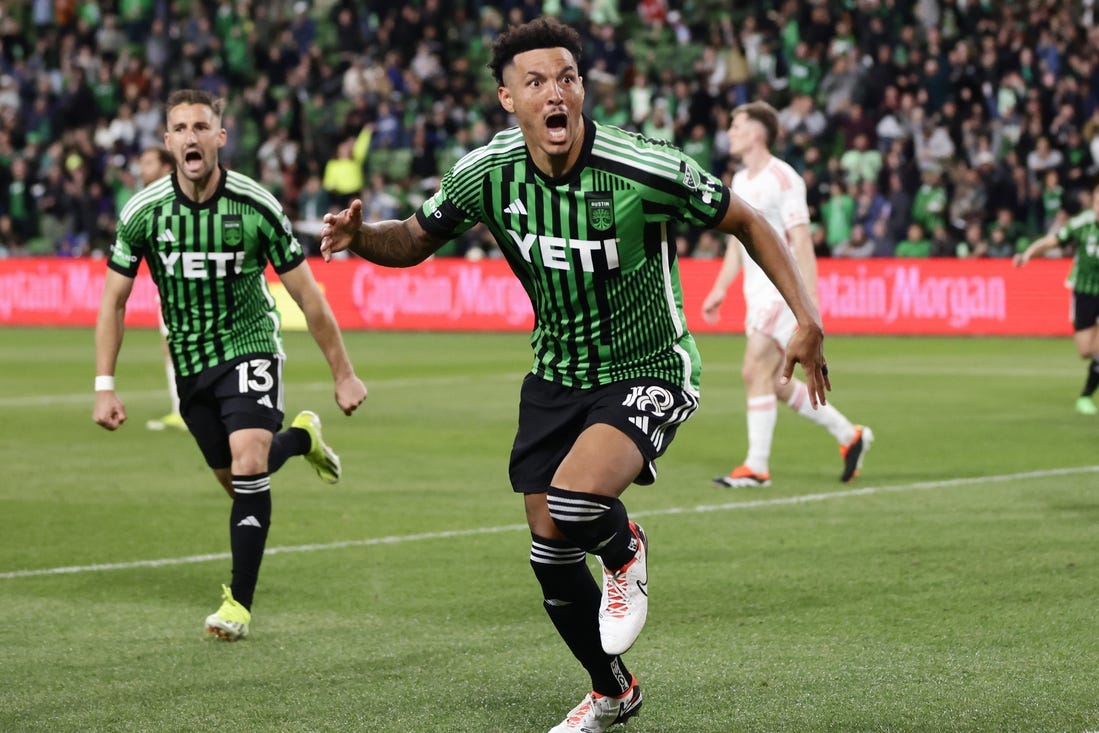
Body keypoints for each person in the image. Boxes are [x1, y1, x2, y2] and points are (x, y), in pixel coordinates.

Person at [319, 19, 828, 733]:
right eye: (535, 82)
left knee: (578, 501)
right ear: (507, 97)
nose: (554, 93)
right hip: (556, 371)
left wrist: (806, 317)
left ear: (581, 89)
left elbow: (747, 222)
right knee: (547, 544)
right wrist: (360, 238)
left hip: (650, 364)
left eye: (566, 79)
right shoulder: (485, 172)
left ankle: (626, 548)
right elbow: (414, 236)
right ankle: (612, 690)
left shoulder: (641, 166)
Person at [93, 89, 367, 642]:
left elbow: (310, 298)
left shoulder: (257, 205)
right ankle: (302, 439)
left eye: (201, 126)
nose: (191, 136)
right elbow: (114, 302)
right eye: (180, 128)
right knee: (236, 477)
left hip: (249, 345)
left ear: (220, 137)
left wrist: (343, 372)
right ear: (167, 141)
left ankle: (238, 605)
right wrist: (105, 386)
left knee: (247, 464)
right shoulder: (144, 211)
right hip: (190, 363)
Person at [701, 101, 872, 489]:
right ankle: (851, 435)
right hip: (755, 293)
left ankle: (756, 467)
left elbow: (801, 241)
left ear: (757, 134)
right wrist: (720, 288)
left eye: (737, 125)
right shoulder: (740, 182)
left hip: (781, 293)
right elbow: (736, 245)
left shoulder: (784, 179)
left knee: (753, 368)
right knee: (773, 382)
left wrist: (807, 307)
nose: (730, 131)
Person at [1015, 181, 1099, 416]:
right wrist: (1028, 254)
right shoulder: (1081, 224)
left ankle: (1085, 397)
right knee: (1085, 350)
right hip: (1084, 291)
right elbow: (1051, 241)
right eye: (1097, 201)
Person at [134, 146, 188, 432]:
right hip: (168, 283)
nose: (142, 168)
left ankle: (188, 409)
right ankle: (181, 408)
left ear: (166, 167)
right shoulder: (147, 202)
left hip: (189, 284)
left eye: (147, 162)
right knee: (170, 345)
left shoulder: (180, 197)